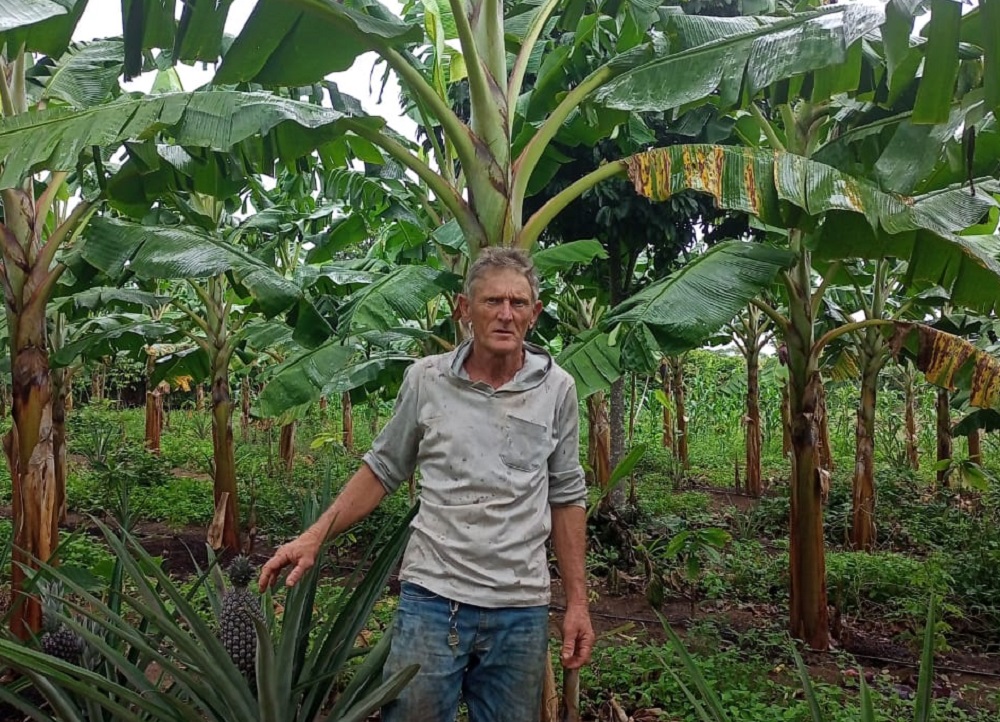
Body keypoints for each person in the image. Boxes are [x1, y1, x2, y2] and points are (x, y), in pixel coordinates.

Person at [259, 248, 594, 722]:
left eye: (518, 304)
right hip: (433, 601)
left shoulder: (557, 388)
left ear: (534, 314)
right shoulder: (427, 379)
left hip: (520, 608)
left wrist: (577, 602)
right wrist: (314, 535)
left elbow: (565, 496)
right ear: (463, 309)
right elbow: (382, 470)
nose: (505, 314)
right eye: (492, 301)